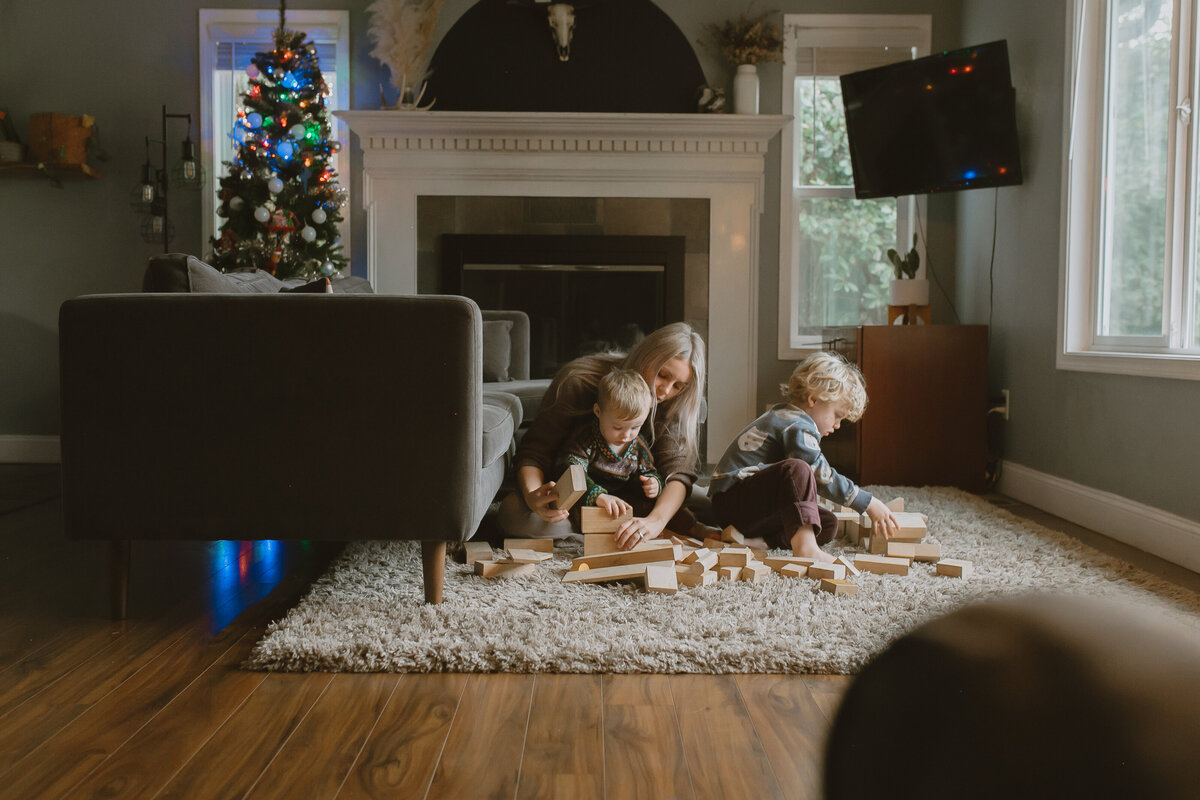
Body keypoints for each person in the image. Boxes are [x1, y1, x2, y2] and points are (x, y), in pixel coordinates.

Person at [498, 321, 713, 550]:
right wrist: (533, 495)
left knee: (711, 506)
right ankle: (611, 532)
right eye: (662, 374)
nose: (665, 391)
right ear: (646, 355)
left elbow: (677, 474)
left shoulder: (672, 404)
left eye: (678, 386)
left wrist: (655, 521)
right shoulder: (579, 381)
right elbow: (535, 451)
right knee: (515, 514)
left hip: (634, 495)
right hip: (577, 496)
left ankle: (632, 529)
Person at [707, 351, 898, 563]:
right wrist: (868, 503)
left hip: (747, 507)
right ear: (813, 399)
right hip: (734, 502)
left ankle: (758, 541)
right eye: (837, 416)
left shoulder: (786, 416)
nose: (836, 426)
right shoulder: (797, 424)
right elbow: (820, 475)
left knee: (826, 523)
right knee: (799, 469)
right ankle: (805, 548)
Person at [559, 368, 681, 530]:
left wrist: (653, 483)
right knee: (570, 512)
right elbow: (572, 471)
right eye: (617, 427)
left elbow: (648, 471)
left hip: (621, 499)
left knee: (663, 509)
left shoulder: (638, 445)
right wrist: (599, 496)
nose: (626, 435)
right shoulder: (586, 438)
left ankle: (694, 527)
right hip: (589, 497)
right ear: (598, 412)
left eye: (635, 427)